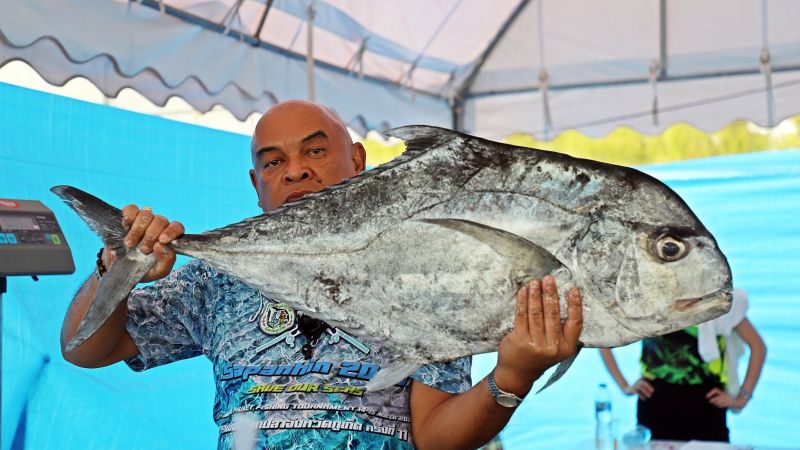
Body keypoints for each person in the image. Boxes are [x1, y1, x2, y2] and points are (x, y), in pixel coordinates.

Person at [61, 100, 584, 450]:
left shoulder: (424, 276)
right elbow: (86, 350)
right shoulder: (213, 280)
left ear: (358, 160)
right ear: (256, 184)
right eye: (273, 162)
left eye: (315, 150)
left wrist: (513, 376)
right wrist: (118, 268)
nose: (295, 171)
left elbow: (433, 435)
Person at [600, 289, 766, 442]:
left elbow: (758, 347)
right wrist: (625, 386)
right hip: (655, 404)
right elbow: (603, 338)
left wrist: (742, 398)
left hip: (707, 407)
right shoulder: (647, 300)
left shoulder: (717, 303)